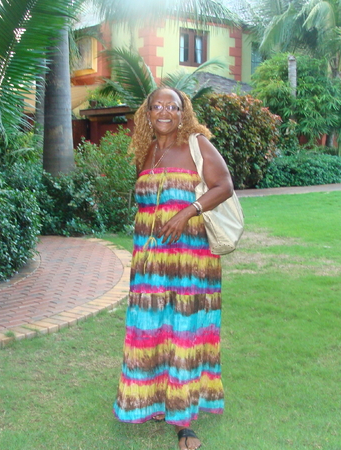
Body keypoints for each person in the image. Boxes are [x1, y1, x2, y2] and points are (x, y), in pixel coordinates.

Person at [113, 87, 234, 450]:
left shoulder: (197, 145)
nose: (164, 111)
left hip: (190, 260)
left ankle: (184, 421)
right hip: (150, 263)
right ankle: (151, 401)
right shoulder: (146, 150)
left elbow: (224, 185)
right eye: (157, 106)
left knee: (184, 332)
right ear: (147, 113)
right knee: (150, 329)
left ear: (183, 113)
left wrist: (186, 213)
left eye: (173, 106)